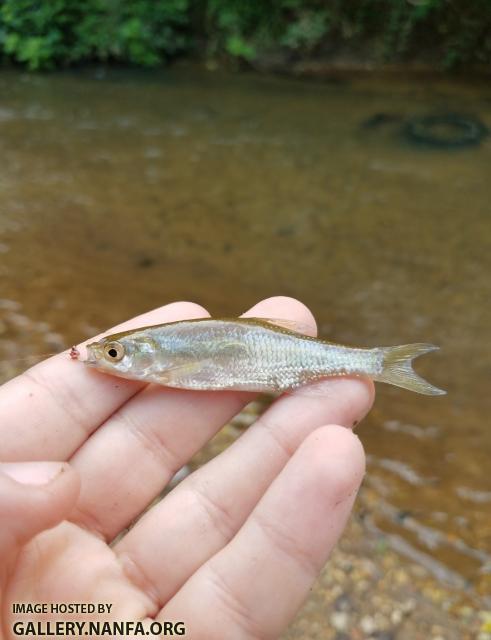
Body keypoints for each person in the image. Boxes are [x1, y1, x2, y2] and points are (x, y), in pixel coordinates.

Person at [0, 297, 373, 639]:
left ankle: (377, 362)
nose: (107, 359)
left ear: (151, 354)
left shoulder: (164, 360)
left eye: (114, 353)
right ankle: (376, 362)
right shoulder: (157, 362)